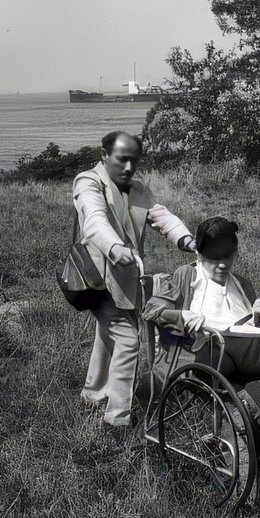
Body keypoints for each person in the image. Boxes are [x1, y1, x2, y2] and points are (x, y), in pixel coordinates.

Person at [142, 216, 260, 492]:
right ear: (199, 253)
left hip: (245, 360)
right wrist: (183, 316)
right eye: (214, 258)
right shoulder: (185, 277)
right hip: (205, 361)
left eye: (228, 258)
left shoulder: (241, 285)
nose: (222, 265)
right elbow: (152, 310)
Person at [73, 130, 195, 435]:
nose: (128, 167)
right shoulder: (88, 182)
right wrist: (114, 247)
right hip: (94, 276)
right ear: (104, 155)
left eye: (134, 161)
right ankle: (118, 419)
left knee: (109, 333)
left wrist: (188, 240)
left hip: (124, 278)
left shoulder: (138, 189)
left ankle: (92, 394)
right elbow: (94, 219)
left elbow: (160, 216)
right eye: (121, 159)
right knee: (127, 340)